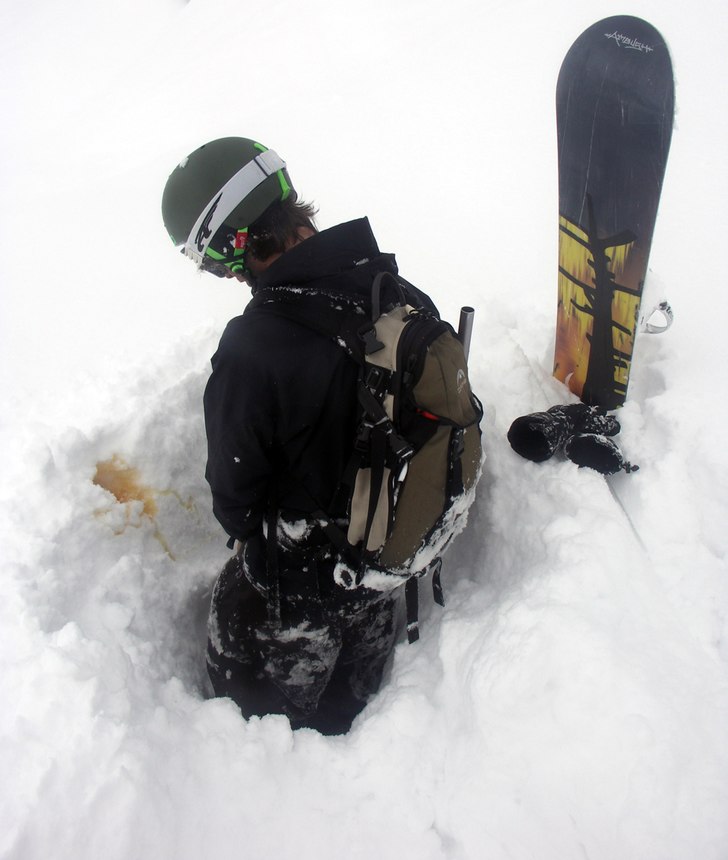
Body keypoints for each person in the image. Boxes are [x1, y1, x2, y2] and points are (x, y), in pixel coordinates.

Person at [162, 137, 441, 734]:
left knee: (256, 743)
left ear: (233, 244)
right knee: (352, 713)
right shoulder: (395, 292)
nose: (224, 276)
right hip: (381, 575)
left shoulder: (252, 348)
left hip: (290, 606)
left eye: (215, 262)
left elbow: (235, 500)